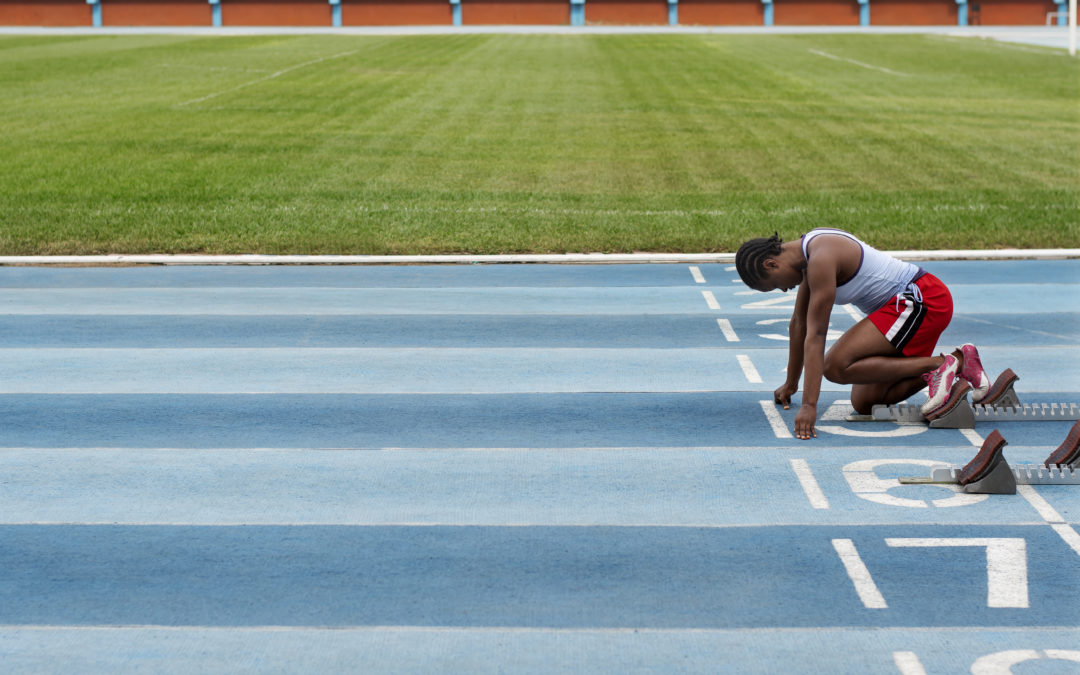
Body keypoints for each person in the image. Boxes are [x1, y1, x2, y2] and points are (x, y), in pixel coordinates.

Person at [735, 228, 990, 440]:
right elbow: (799, 324)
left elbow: (816, 334)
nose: (783, 290)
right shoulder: (805, 260)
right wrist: (792, 383)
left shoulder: (821, 258)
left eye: (776, 285)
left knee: (835, 366)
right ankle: (958, 364)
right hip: (906, 309)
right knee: (866, 402)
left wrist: (809, 405)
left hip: (924, 300)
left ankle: (941, 364)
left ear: (772, 263)